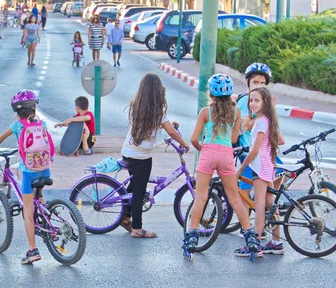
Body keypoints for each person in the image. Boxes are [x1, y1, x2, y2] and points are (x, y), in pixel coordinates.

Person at [184, 73, 261, 259]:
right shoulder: (236, 112)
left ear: (210, 92)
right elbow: (234, 138)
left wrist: (203, 148)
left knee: (201, 197)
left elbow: (194, 138)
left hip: (208, 153)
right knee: (234, 199)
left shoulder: (205, 112)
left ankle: (192, 237)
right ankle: (250, 237)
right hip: (226, 154)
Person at [0, 90, 52, 264]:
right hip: (45, 169)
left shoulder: (17, 126)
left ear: (17, 111)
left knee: (28, 209)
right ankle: (49, 223)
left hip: (29, 172)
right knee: (39, 195)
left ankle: (33, 250)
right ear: (34, 108)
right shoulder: (42, 123)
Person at [121, 73, 190, 238]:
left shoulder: (135, 105)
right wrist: (184, 143)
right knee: (139, 191)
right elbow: (171, 131)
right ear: (158, 91)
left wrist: (167, 125)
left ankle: (125, 216)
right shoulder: (157, 111)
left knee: (134, 186)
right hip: (142, 157)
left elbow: (152, 124)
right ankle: (137, 229)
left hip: (128, 152)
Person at [235, 86, 286, 256]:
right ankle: (276, 242)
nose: (252, 104)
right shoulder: (268, 120)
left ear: (265, 102)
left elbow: (254, 150)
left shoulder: (261, 122)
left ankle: (254, 245)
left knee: (259, 206)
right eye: (251, 100)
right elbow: (281, 141)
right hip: (268, 164)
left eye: (257, 100)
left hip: (259, 165)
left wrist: (241, 169)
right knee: (271, 205)